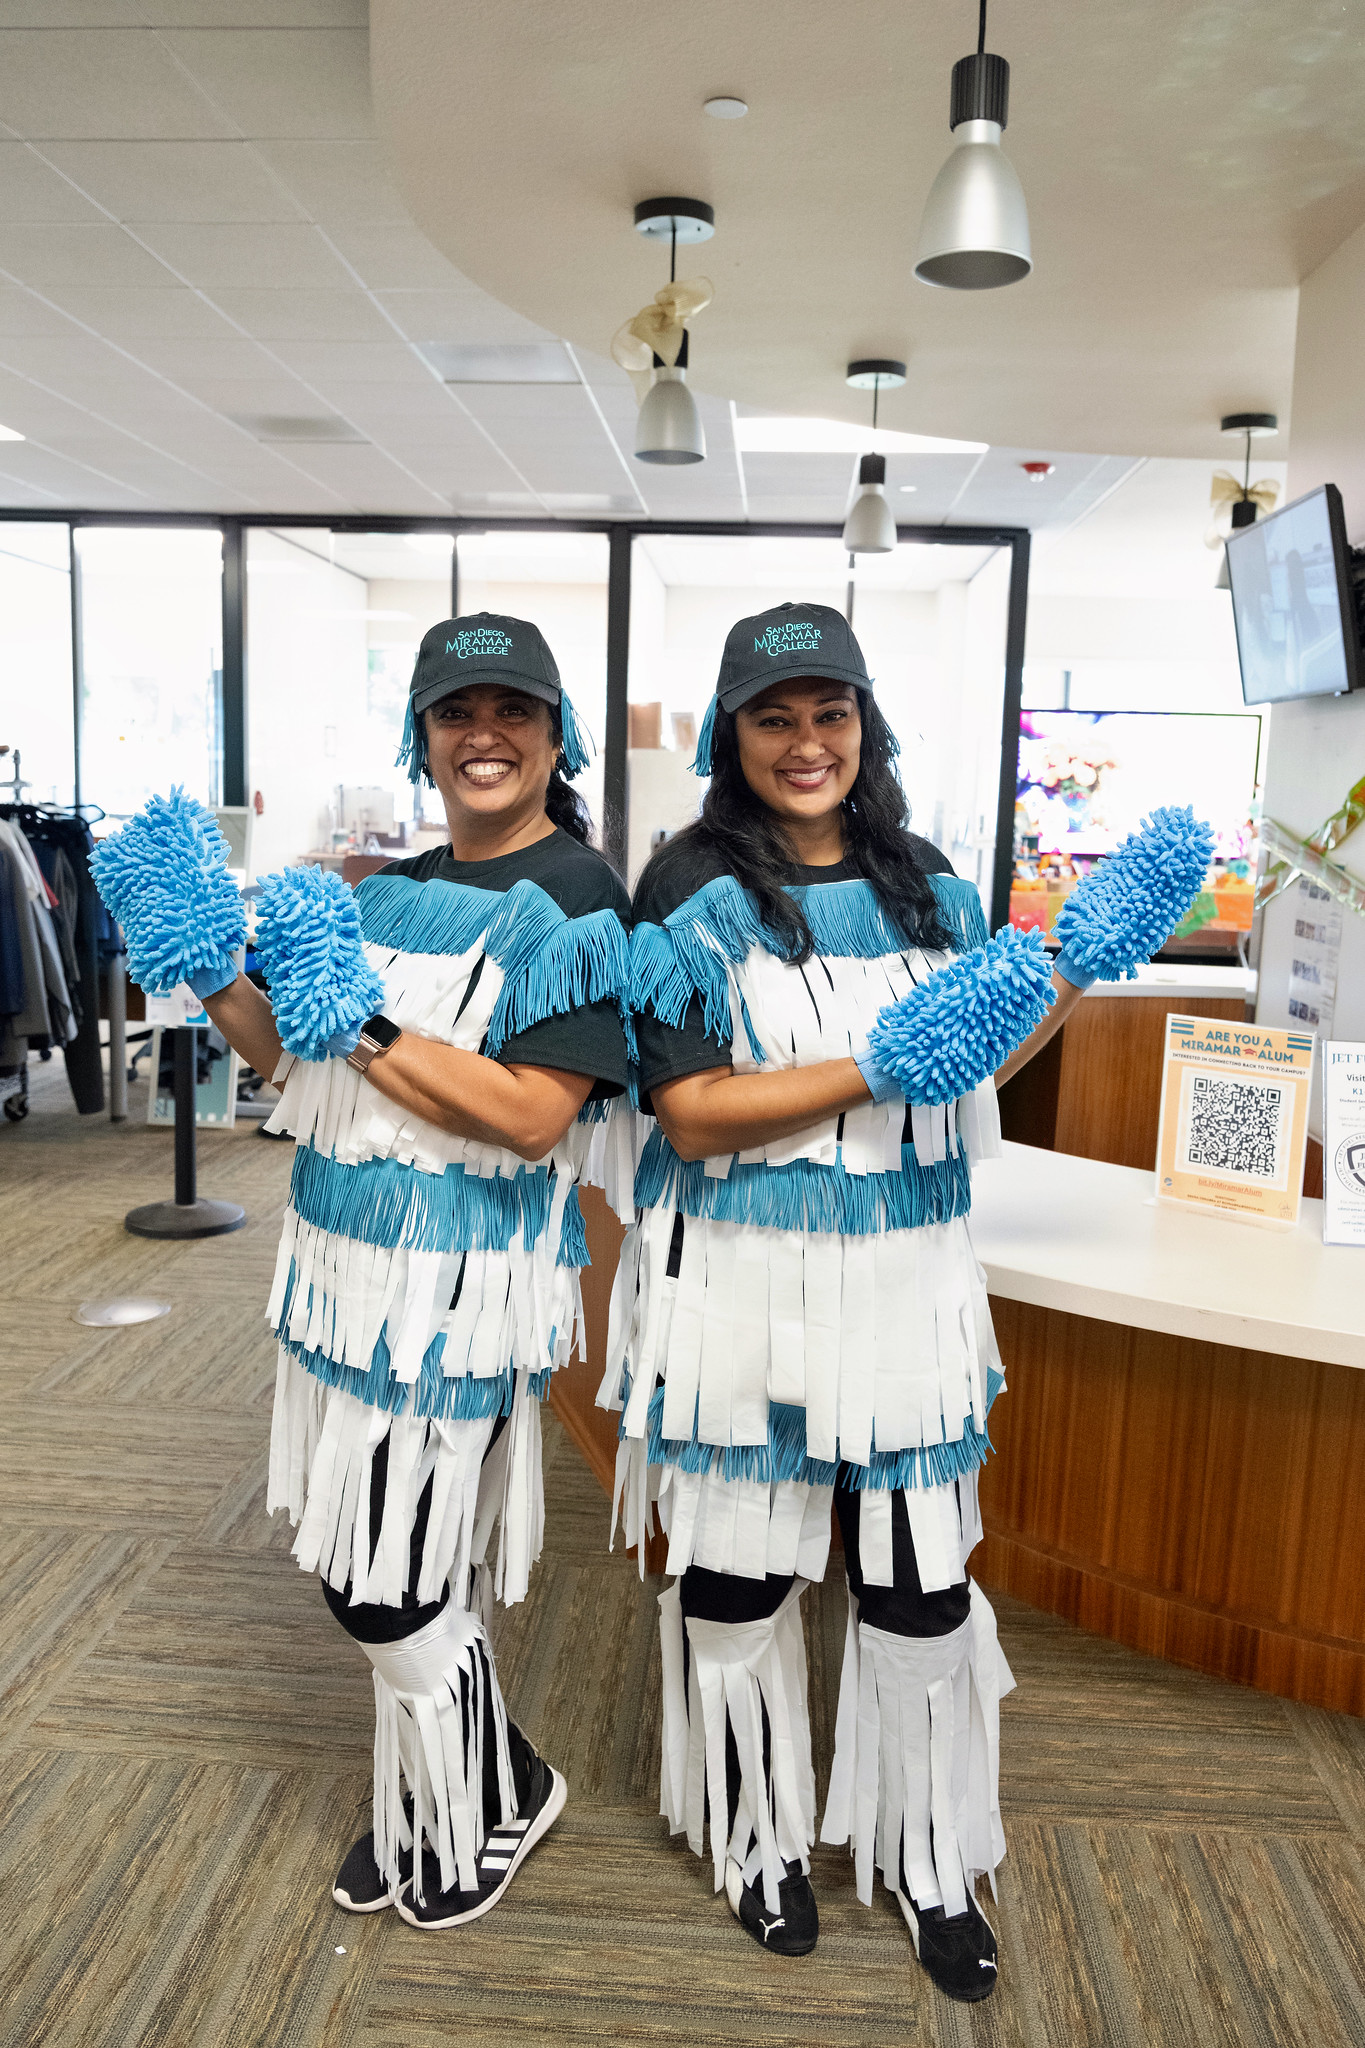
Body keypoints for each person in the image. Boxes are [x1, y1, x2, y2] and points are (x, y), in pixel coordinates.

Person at [604, 603, 1086, 2004]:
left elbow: (973, 1060)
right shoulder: (684, 888)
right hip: (738, 1287)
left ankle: (929, 1854)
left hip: (904, 1286)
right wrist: (878, 1060)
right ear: (730, 735)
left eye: (830, 714)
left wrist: (1062, 973)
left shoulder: (926, 878)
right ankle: (757, 1839)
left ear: (865, 728)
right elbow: (691, 1118)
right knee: (741, 1579)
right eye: (774, 717)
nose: (805, 743)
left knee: (921, 1590)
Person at [196, 615, 633, 1928]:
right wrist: (212, 971)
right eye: (456, 713)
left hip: (457, 1293)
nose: (482, 735)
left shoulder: (579, 897)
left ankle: (487, 1789)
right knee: (379, 1559)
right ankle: (470, 1783)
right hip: (337, 1276)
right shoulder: (378, 889)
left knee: (382, 1582)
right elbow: (296, 1063)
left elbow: (533, 1111)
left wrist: (368, 1023)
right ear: (423, 737)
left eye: (512, 711)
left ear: (557, 738)